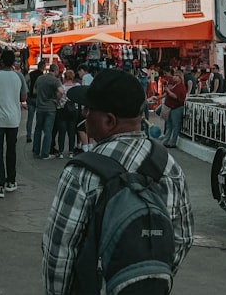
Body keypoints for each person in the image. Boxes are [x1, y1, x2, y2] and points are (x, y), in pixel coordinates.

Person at [42, 69, 194, 295]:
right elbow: (183, 236)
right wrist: (146, 280)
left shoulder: (82, 172)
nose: (84, 115)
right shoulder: (167, 165)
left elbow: (60, 250)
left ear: (109, 121)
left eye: (89, 109)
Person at [0, 49, 26, 198]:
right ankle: (11, 181)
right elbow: (23, 97)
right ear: (13, 62)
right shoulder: (19, 76)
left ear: (0, 61)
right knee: (11, 150)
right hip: (13, 119)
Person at [32, 63, 62, 160]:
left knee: (38, 130)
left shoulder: (40, 78)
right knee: (48, 131)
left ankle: (36, 150)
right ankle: (45, 153)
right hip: (50, 108)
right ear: (56, 71)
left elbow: (34, 91)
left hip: (40, 107)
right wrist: (56, 100)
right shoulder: (55, 80)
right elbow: (61, 91)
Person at [54, 69, 79, 159]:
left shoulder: (62, 87)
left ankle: (60, 152)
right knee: (72, 132)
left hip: (62, 111)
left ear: (65, 77)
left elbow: (58, 99)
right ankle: (71, 152)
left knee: (62, 132)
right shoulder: (76, 87)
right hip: (73, 111)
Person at [162, 69, 187, 149]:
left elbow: (176, 97)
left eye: (177, 76)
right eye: (174, 76)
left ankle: (173, 142)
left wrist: (168, 91)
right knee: (169, 125)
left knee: (175, 125)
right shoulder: (175, 85)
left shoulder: (181, 87)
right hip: (171, 107)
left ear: (180, 78)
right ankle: (166, 141)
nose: (174, 77)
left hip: (176, 108)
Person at [26, 59, 46, 143]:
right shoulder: (43, 76)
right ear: (44, 67)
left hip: (30, 98)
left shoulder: (31, 74)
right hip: (39, 99)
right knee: (39, 118)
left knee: (30, 118)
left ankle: (29, 135)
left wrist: (27, 91)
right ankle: (38, 134)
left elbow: (26, 81)